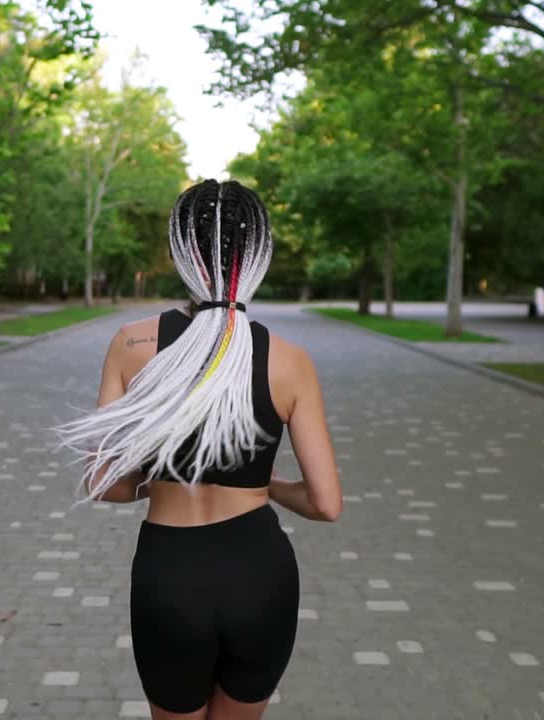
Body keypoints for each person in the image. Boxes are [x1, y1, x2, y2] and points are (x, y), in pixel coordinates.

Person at [55, 179, 342, 720]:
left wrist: (162, 475)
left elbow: (104, 484)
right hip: (261, 575)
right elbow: (327, 504)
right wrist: (267, 485)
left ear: (179, 253)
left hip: (170, 577)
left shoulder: (132, 343)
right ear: (258, 254)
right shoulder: (289, 360)